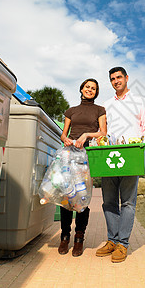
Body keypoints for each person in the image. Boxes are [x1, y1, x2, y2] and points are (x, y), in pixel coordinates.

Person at [96, 67, 145, 263]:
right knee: (109, 201)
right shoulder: (107, 105)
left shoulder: (139, 101)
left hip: (130, 156)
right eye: (112, 79)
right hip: (109, 157)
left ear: (127, 78)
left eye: (119, 77)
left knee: (128, 202)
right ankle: (112, 240)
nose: (116, 81)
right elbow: (102, 130)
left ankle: (123, 244)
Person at [59, 78, 107, 257]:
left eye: (93, 88)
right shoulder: (71, 111)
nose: (90, 90)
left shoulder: (100, 110)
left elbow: (103, 132)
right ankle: (65, 236)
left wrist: (86, 135)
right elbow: (63, 134)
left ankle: (79, 238)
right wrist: (66, 139)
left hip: (88, 156)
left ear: (96, 92)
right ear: (81, 89)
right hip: (69, 154)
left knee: (82, 197)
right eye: (87, 87)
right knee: (67, 196)